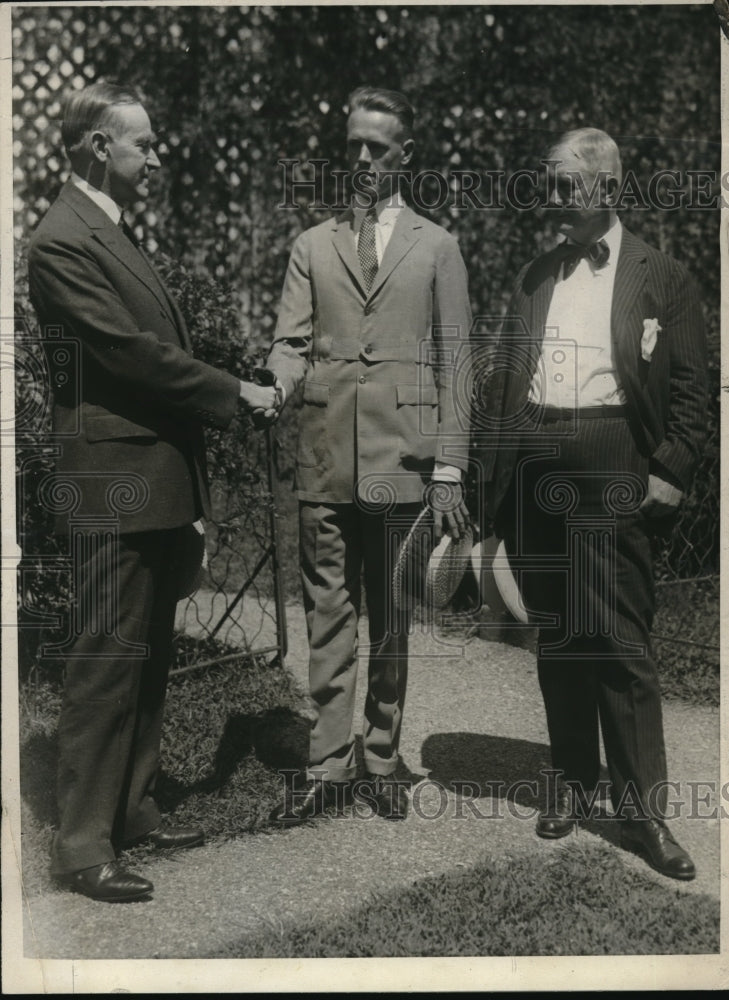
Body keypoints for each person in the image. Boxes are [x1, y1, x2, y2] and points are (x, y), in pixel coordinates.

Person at [27, 82, 278, 902]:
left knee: (148, 657)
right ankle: (81, 846)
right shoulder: (62, 240)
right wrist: (234, 391)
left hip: (150, 478)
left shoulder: (108, 228)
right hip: (113, 485)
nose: (158, 154)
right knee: (107, 660)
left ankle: (131, 811)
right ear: (100, 146)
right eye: (145, 143)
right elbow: (128, 355)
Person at [479, 128, 707, 880]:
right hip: (536, 457)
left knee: (620, 639)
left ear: (606, 186)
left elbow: (689, 392)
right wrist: (493, 470)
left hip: (612, 457)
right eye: (547, 185)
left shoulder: (662, 276)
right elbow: (506, 376)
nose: (552, 202)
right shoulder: (535, 273)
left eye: (565, 188)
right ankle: (574, 783)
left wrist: (670, 467)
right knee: (560, 634)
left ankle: (644, 815)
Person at [262, 86, 472, 824]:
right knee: (327, 613)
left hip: (403, 465)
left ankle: (380, 757)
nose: (358, 159)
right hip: (324, 459)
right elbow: (289, 346)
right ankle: (326, 762)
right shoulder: (311, 246)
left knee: (390, 619)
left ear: (403, 158)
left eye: (375, 149)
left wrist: (449, 467)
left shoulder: (437, 247)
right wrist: (272, 389)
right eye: (351, 144)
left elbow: (457, 365)